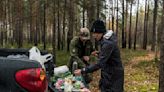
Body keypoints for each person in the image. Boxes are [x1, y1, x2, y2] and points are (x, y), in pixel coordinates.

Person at [74, 20, 124, 92]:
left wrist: (83, 70)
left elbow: (100, 63)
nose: (94, 36)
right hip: (108, 74)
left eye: (94, 33)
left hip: (113, 77)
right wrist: (99, 53)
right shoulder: (106, 40)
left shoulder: (108, 43)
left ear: (99, 32)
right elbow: (108, 56)